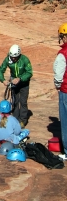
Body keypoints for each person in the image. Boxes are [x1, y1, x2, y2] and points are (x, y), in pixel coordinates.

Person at [0, 44, 33, 128]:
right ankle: (15, 119)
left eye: (15, 57)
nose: (13, 59)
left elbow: (29, 73)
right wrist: (3, 80)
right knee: (15, 102)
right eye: (12, 57)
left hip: (24, 84)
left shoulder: (25, 59)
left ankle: (23, 120)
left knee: (23, 102)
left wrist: (20, 78)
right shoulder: (8, 59)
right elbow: (0, 70)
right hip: (14, 84)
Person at [53, 23, 67, 161]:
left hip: (65, 91)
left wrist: (58, 86)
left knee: (66, 122)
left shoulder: (63, 54)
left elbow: (59, 75)